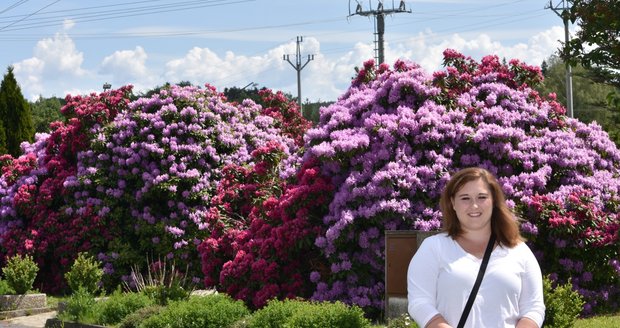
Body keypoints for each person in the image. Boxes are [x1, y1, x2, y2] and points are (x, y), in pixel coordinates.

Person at [407, 167, 545, 328]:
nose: (474, 205)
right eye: (465, 198)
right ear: (452, 203)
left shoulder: (519, 251)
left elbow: (534, 308)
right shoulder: (433, 248)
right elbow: (419, 302)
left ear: (494, 201)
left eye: (482, 197)